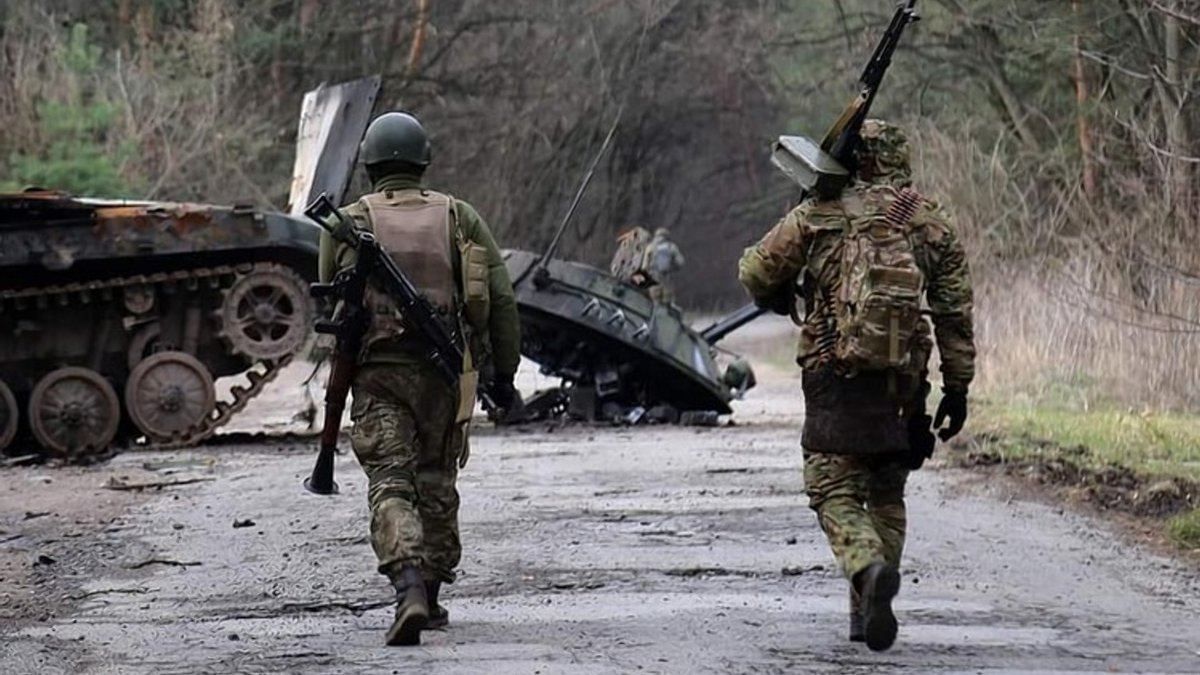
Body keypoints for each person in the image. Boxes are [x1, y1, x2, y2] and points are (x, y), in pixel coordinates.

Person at [737, 119, 975, 652]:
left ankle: (866, 570)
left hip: (834, 376)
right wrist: (957, 386)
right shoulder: (929, 220)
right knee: (887, 491)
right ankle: (867, 603)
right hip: (903, 382)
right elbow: (954, 310)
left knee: (832, 488)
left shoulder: (819, 212)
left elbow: (755, 272)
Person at [318, 111, 522, 646]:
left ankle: (406, 583)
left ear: (369, 165)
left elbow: (332, 304)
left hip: (378, 376)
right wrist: (505, 373)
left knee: (390, 480)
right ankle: (428, 597)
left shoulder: (346, 221)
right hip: (444, 375)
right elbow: (500, 301)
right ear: (423, 163)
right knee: (435, 479)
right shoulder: (460, 217)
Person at [643, 227, 685, 303]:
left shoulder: (650, 247)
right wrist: (673, 269)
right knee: (667, 300)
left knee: (655, 300)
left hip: (653, 277)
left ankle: (656, 313)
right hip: (667, 277)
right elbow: (681, 262)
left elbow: (645, 266)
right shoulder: (671, 247)